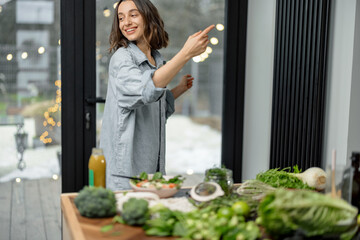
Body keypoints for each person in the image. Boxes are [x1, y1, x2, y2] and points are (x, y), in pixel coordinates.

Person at [100, 0, 214, 190]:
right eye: (121, 18)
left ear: (148, 17)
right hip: (127, 171)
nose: (126, 22)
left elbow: (154, 108)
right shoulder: (122, 58)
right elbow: (144, 91)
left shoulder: (156, 60)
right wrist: (186, 53)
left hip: (151, 167)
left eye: (133, 15)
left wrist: (178, 90)